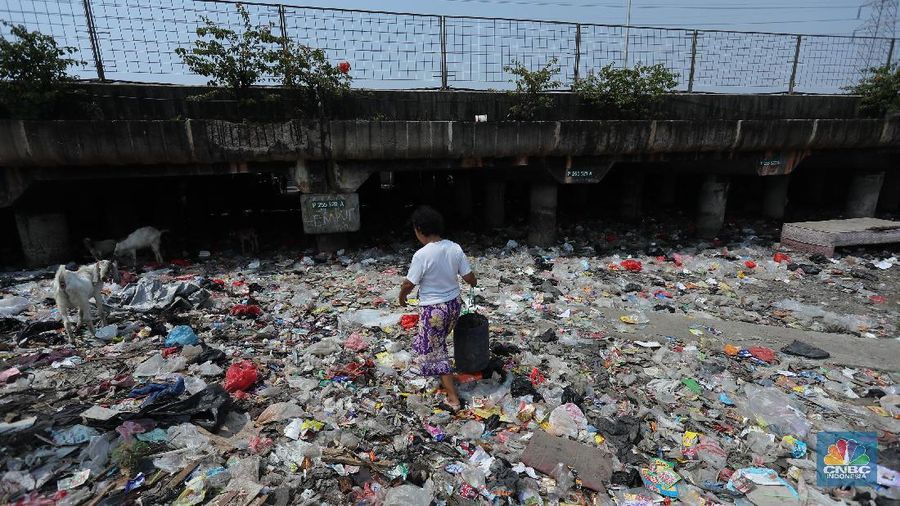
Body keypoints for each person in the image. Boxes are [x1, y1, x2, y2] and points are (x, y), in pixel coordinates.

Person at [398, 206, 477, 411]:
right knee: (437, 342)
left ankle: (453, 397)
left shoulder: (422, 255)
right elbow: (469, 277)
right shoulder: (454, 248)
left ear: (419, 229)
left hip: (434, 310)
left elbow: (409, 283)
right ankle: (437, 371)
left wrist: (402, 296)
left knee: (437, 350)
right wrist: (474, 283)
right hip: (453, 306)